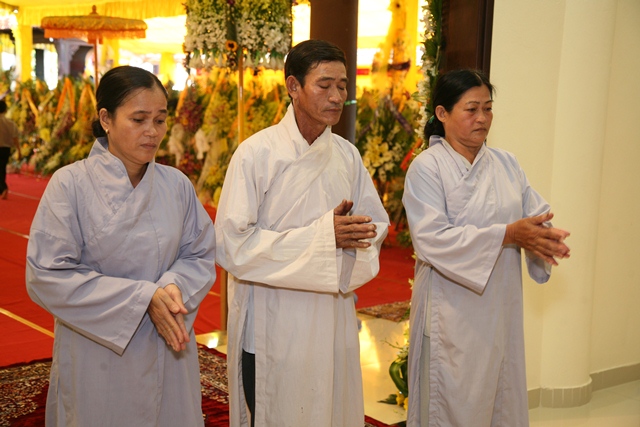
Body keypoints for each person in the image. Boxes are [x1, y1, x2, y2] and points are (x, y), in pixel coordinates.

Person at [26, 66, 217, 426]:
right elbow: (47, 274)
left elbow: (199, 252)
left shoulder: (176, 185)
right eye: (138, 119)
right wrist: (142, 299)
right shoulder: (70, 185)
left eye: (160, 120)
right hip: (98, 349)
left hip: (168, 340)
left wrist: (172, 288)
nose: (152, 132)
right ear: (106, 119)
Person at [215, 39, 390, 427]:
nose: (337, 96)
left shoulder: (346, 155)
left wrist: (354, 236)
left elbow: (374, 227)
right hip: (274, 321)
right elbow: (231, 245)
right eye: (324, 85)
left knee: (328, 408)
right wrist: (324, 238)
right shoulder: (256, 154)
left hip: (331, 315)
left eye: (342, 86)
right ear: (293, 86)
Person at [402, 69, 571, 427]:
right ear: (442, 113)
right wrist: (508, 234)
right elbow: (432, 240)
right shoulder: (427, 168)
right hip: (451, 312)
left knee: (500, 396)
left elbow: (534, 214)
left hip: (500, 306)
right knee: (451, 402)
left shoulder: (506, 163)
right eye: (471, 109)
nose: (482, 118)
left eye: (488, 108)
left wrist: (543, 238)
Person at [0, 99, 20, 199]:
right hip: (6, 149)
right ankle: (2, 188)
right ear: (5, 110)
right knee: (2, 168)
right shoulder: (10, 123)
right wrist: (19, 150)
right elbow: (15, 138)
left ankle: (3, 188)